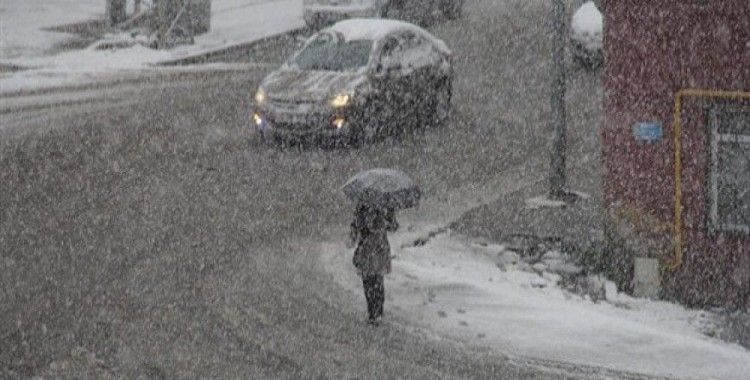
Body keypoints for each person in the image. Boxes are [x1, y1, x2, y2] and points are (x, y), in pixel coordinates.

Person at [349, 203, 398, 325]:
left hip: (368, 251)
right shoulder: (384, 207)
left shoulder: (362, 210)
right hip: (379, 250)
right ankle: (378, 312)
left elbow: (353, 233)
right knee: (377, 282)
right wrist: (390, 215)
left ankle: (373, 313)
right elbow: (393, 227)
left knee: (369, 283)